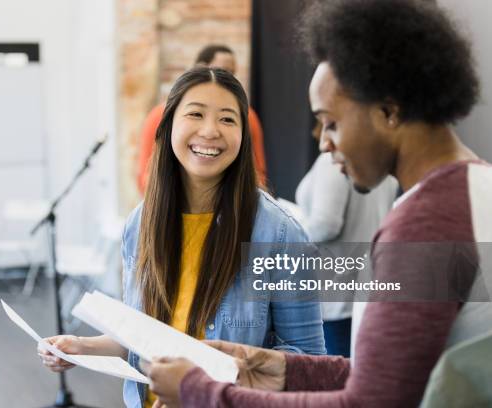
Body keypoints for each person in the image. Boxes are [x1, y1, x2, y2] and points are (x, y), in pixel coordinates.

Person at [142, 0, 492, 406]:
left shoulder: (426, 224)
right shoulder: (474, 184)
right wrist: (287, 370)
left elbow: (368, 403)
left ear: (389, 111)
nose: (324, 142)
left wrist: (199, 392)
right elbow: (397, 374)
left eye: (331, 122)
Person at [38, 67, 325, 408]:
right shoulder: (141, 222)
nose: (210, 130)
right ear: (170, 123)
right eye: (196, 114)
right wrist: (83, 347)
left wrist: (212, 384)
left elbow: (309, 362)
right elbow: (143, 332)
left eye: (228, 120)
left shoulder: (280, 235)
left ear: (243, 135)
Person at [295, 124, 398, 357]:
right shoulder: (384, 161)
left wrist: (290, 233)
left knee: (337, 373)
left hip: (337, 290)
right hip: (367, 283)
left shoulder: (333, 161)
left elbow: (326, 224)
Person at [136, 44, 267, 193]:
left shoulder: (249, 118)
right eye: (222, 70)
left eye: (227, 119)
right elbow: (145, 175)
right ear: (201, 68)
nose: (209, 132)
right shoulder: (157, 116)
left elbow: (258, 171)